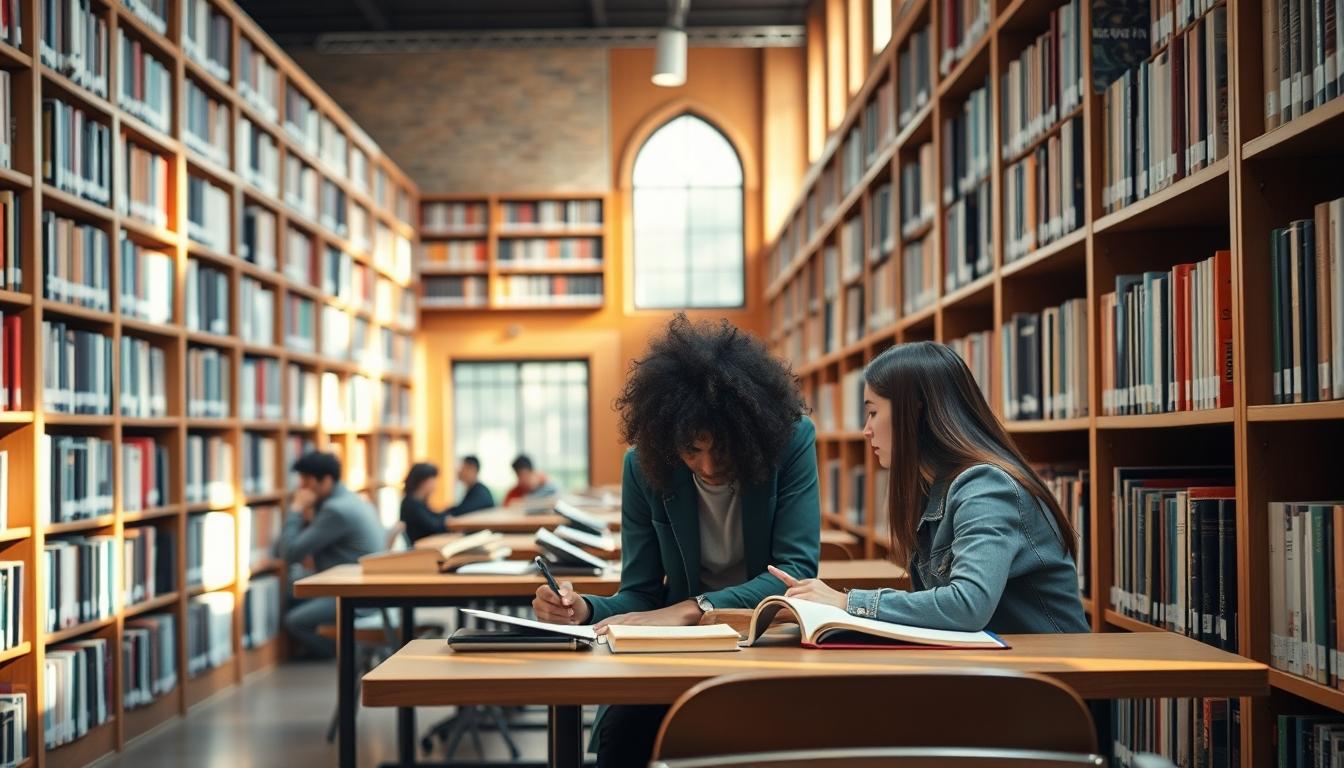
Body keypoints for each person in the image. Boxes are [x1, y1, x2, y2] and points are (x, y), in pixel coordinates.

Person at [531, 314, 820, 767]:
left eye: (721, 448)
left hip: (769, 639)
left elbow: (796, 574)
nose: (707, 467)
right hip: (676, 652)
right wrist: (583, 609)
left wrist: (692, 607)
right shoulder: (643, 466)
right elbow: (641, 592)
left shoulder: (790, 441)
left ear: (748, 432)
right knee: (622, 734)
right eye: (691, 450)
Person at [775, 341, 1088, 635]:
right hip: (997, 671)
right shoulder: (934, 489)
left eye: (872, 412)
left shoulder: (986, 488)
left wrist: (847, 603)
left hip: (1051, 676)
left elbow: (968, 605)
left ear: (915, 413)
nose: (866, 430)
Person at [277, 451, 386, 658]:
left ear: (325, 480)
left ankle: (351, 654)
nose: (301, 489)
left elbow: (289, 552)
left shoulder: (336, 510)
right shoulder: (354, 499)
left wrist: (296, 509)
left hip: (354, 594)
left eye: (306, 481)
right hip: (366, 586)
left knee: (294, 621)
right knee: (292, 594)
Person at [400, 457, 496, 542]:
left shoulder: (416, 501)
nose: (435, 484)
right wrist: (447, 519)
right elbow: (433, 526)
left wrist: (446, 516)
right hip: (425, 549)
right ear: (424, 481)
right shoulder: (412, 503)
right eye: (433, 479)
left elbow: (433, 519)